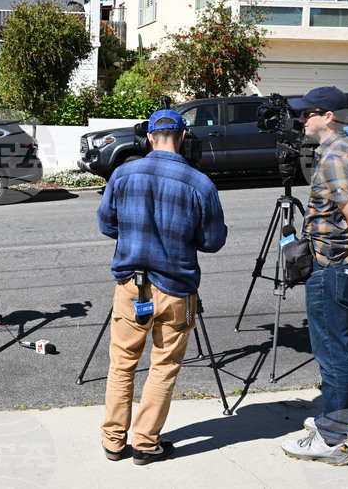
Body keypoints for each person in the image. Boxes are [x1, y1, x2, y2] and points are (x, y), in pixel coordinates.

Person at [97, 109, 227, 465]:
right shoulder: (200, 183)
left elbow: (107, 225)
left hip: (131, 285)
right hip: (176, 289)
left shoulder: (122, 174)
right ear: (183, 138)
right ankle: (145, 443)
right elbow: (213, 241)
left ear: (150, 138)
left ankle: (113, 441)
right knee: (164, 366)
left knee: (122, 365)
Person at [281, 86, 348, 466]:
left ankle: (331, 438)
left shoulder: (335, 158)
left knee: (332, 351)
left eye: (308, 112)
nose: (302, 119)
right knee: (346, 347)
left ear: (328, 117)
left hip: (331, 267)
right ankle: (343, 424)